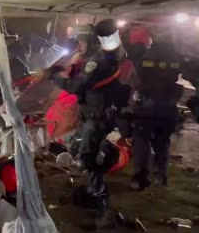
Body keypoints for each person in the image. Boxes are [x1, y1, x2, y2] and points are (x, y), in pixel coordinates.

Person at [53, 19, 131, 228]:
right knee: (89, 147)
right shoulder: (115, 52)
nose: (78, 45)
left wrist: (56, 76)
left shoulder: (96, 62)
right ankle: (96, 180)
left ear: (90, 41)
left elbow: (77, 87)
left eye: (81, 41)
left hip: (97, 116)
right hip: (106, 113)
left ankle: (101, 201)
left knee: (87, 157)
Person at [129, 41, 198, 190]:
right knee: (162, 142)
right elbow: (191, 73)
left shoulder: (143, 56)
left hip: (146, 108)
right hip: (168, 107)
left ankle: (140, 178)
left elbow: (134, 77)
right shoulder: (175, 57)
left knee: (141, 142)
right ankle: (160, 177)